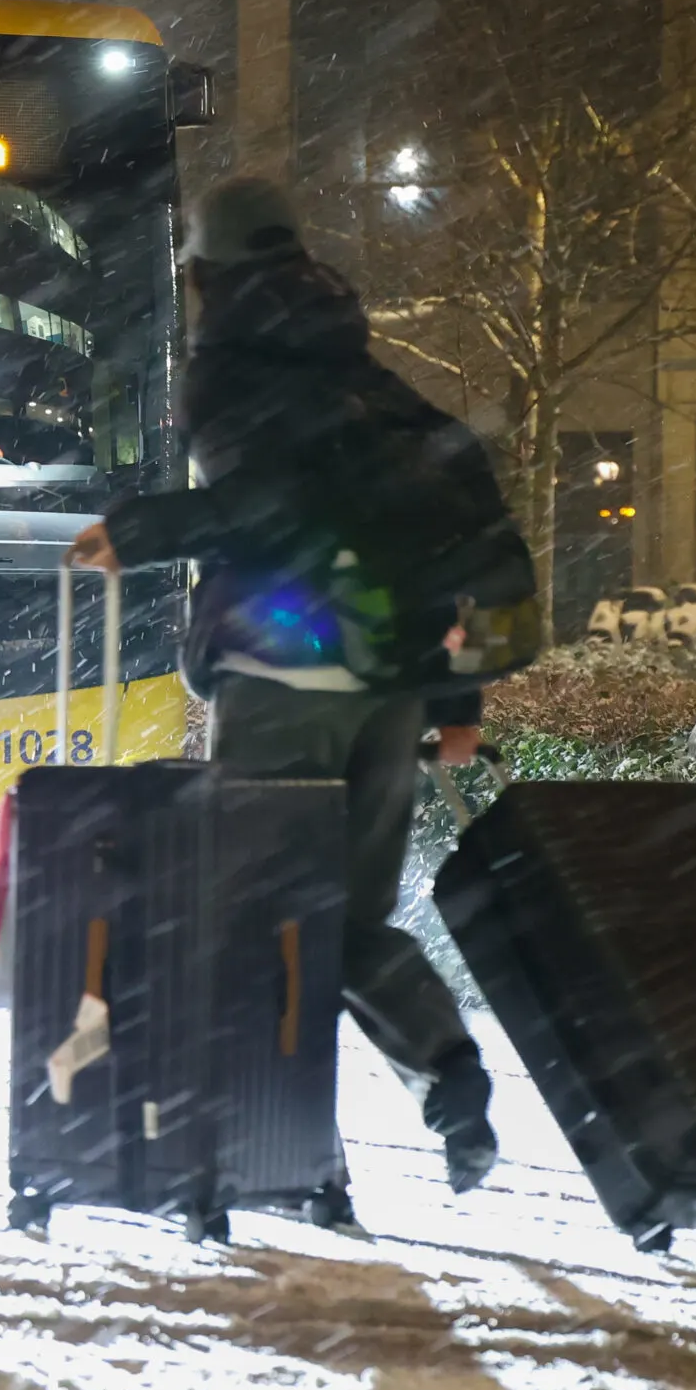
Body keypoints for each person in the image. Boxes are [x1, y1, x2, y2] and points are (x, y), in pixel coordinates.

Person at [69, 175, 503, 1208]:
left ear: (202, 273)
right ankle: (448, 1072)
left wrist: (140, 530)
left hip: (282, 668)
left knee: (255, 918)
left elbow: (271, 508)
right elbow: (458, 534)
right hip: (393, 684)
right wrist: (459, 698)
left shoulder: (225, 368)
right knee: (348, 921)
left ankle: (272, 1156)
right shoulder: (372, 380)